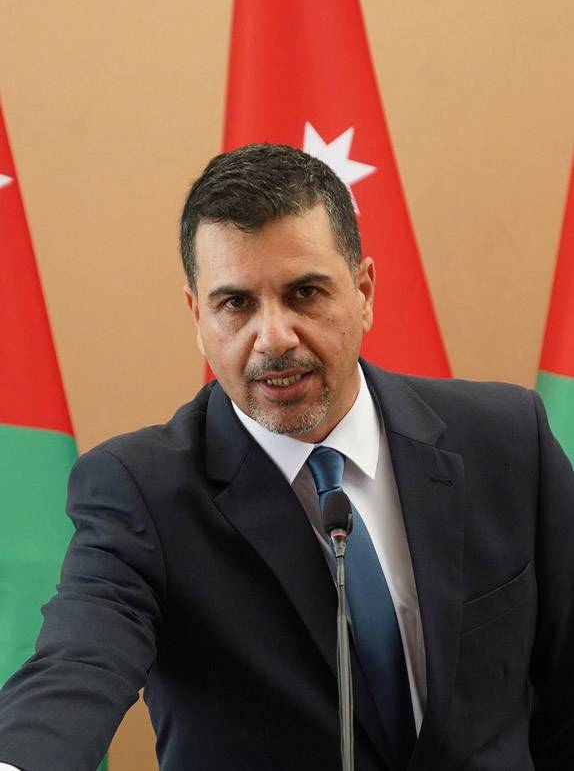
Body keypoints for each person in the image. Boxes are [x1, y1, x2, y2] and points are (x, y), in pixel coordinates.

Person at [0, 143, 573, 771]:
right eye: (235, 304)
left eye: (304, 293)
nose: (272, 338)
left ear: (364, 291)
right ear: (197, 316)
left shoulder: (505, 439)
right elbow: (78, 658)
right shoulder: (141, 490)